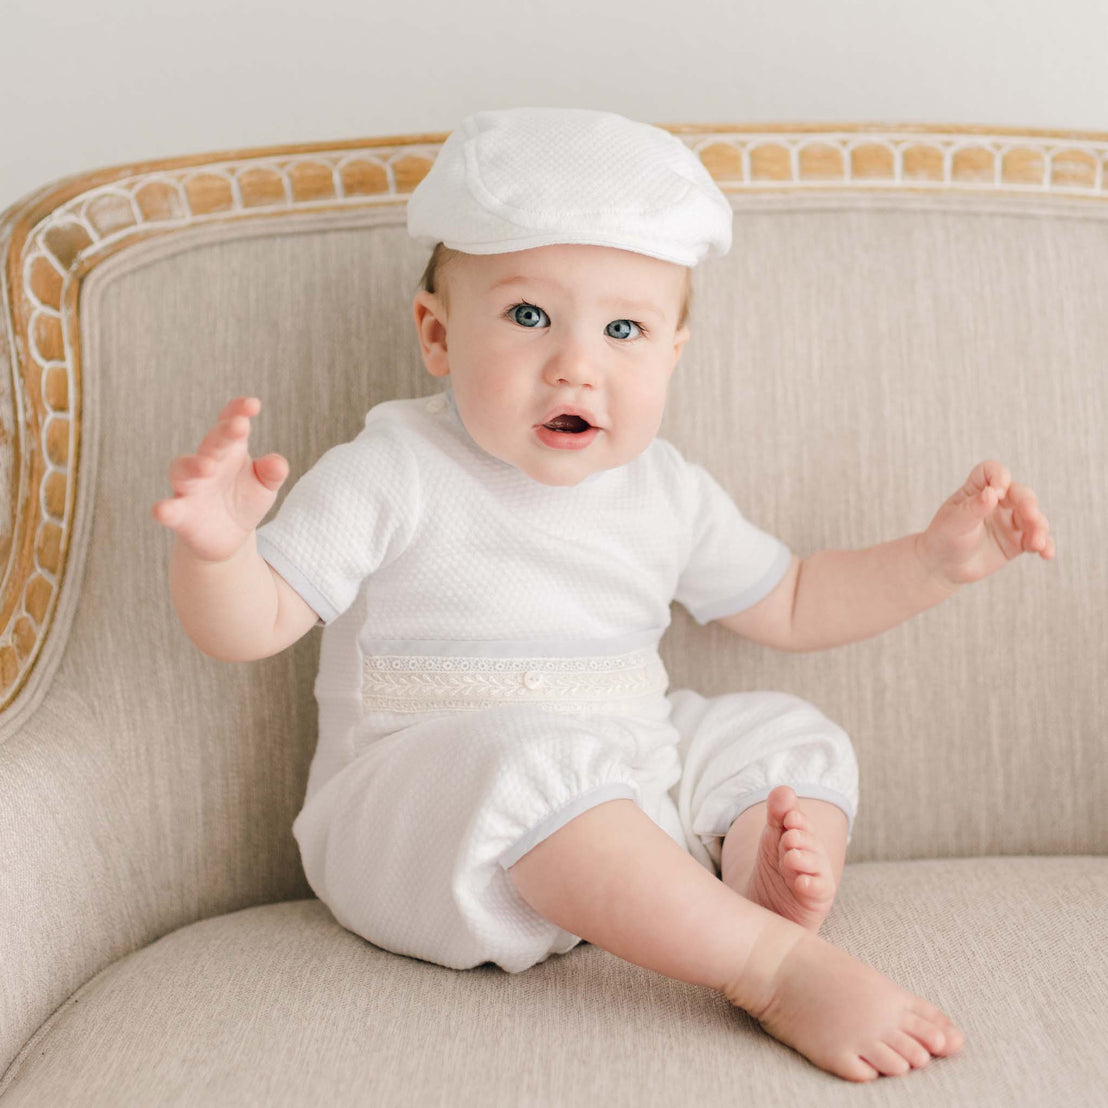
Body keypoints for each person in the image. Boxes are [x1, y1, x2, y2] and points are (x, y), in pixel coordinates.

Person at [152, 107, 1055, 1083]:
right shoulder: (392, 467)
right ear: (437, 334)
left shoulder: (665, 489)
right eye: (529, 316)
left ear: (671, 351)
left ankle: (747, 871)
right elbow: (252, 625)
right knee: (531, 759)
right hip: (428, 816)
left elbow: (792, 600)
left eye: (623, 327)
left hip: (628, 786)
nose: (575, 363)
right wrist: (217, 552)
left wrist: (931, 562)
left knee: (782, 733)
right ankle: (768, 964)